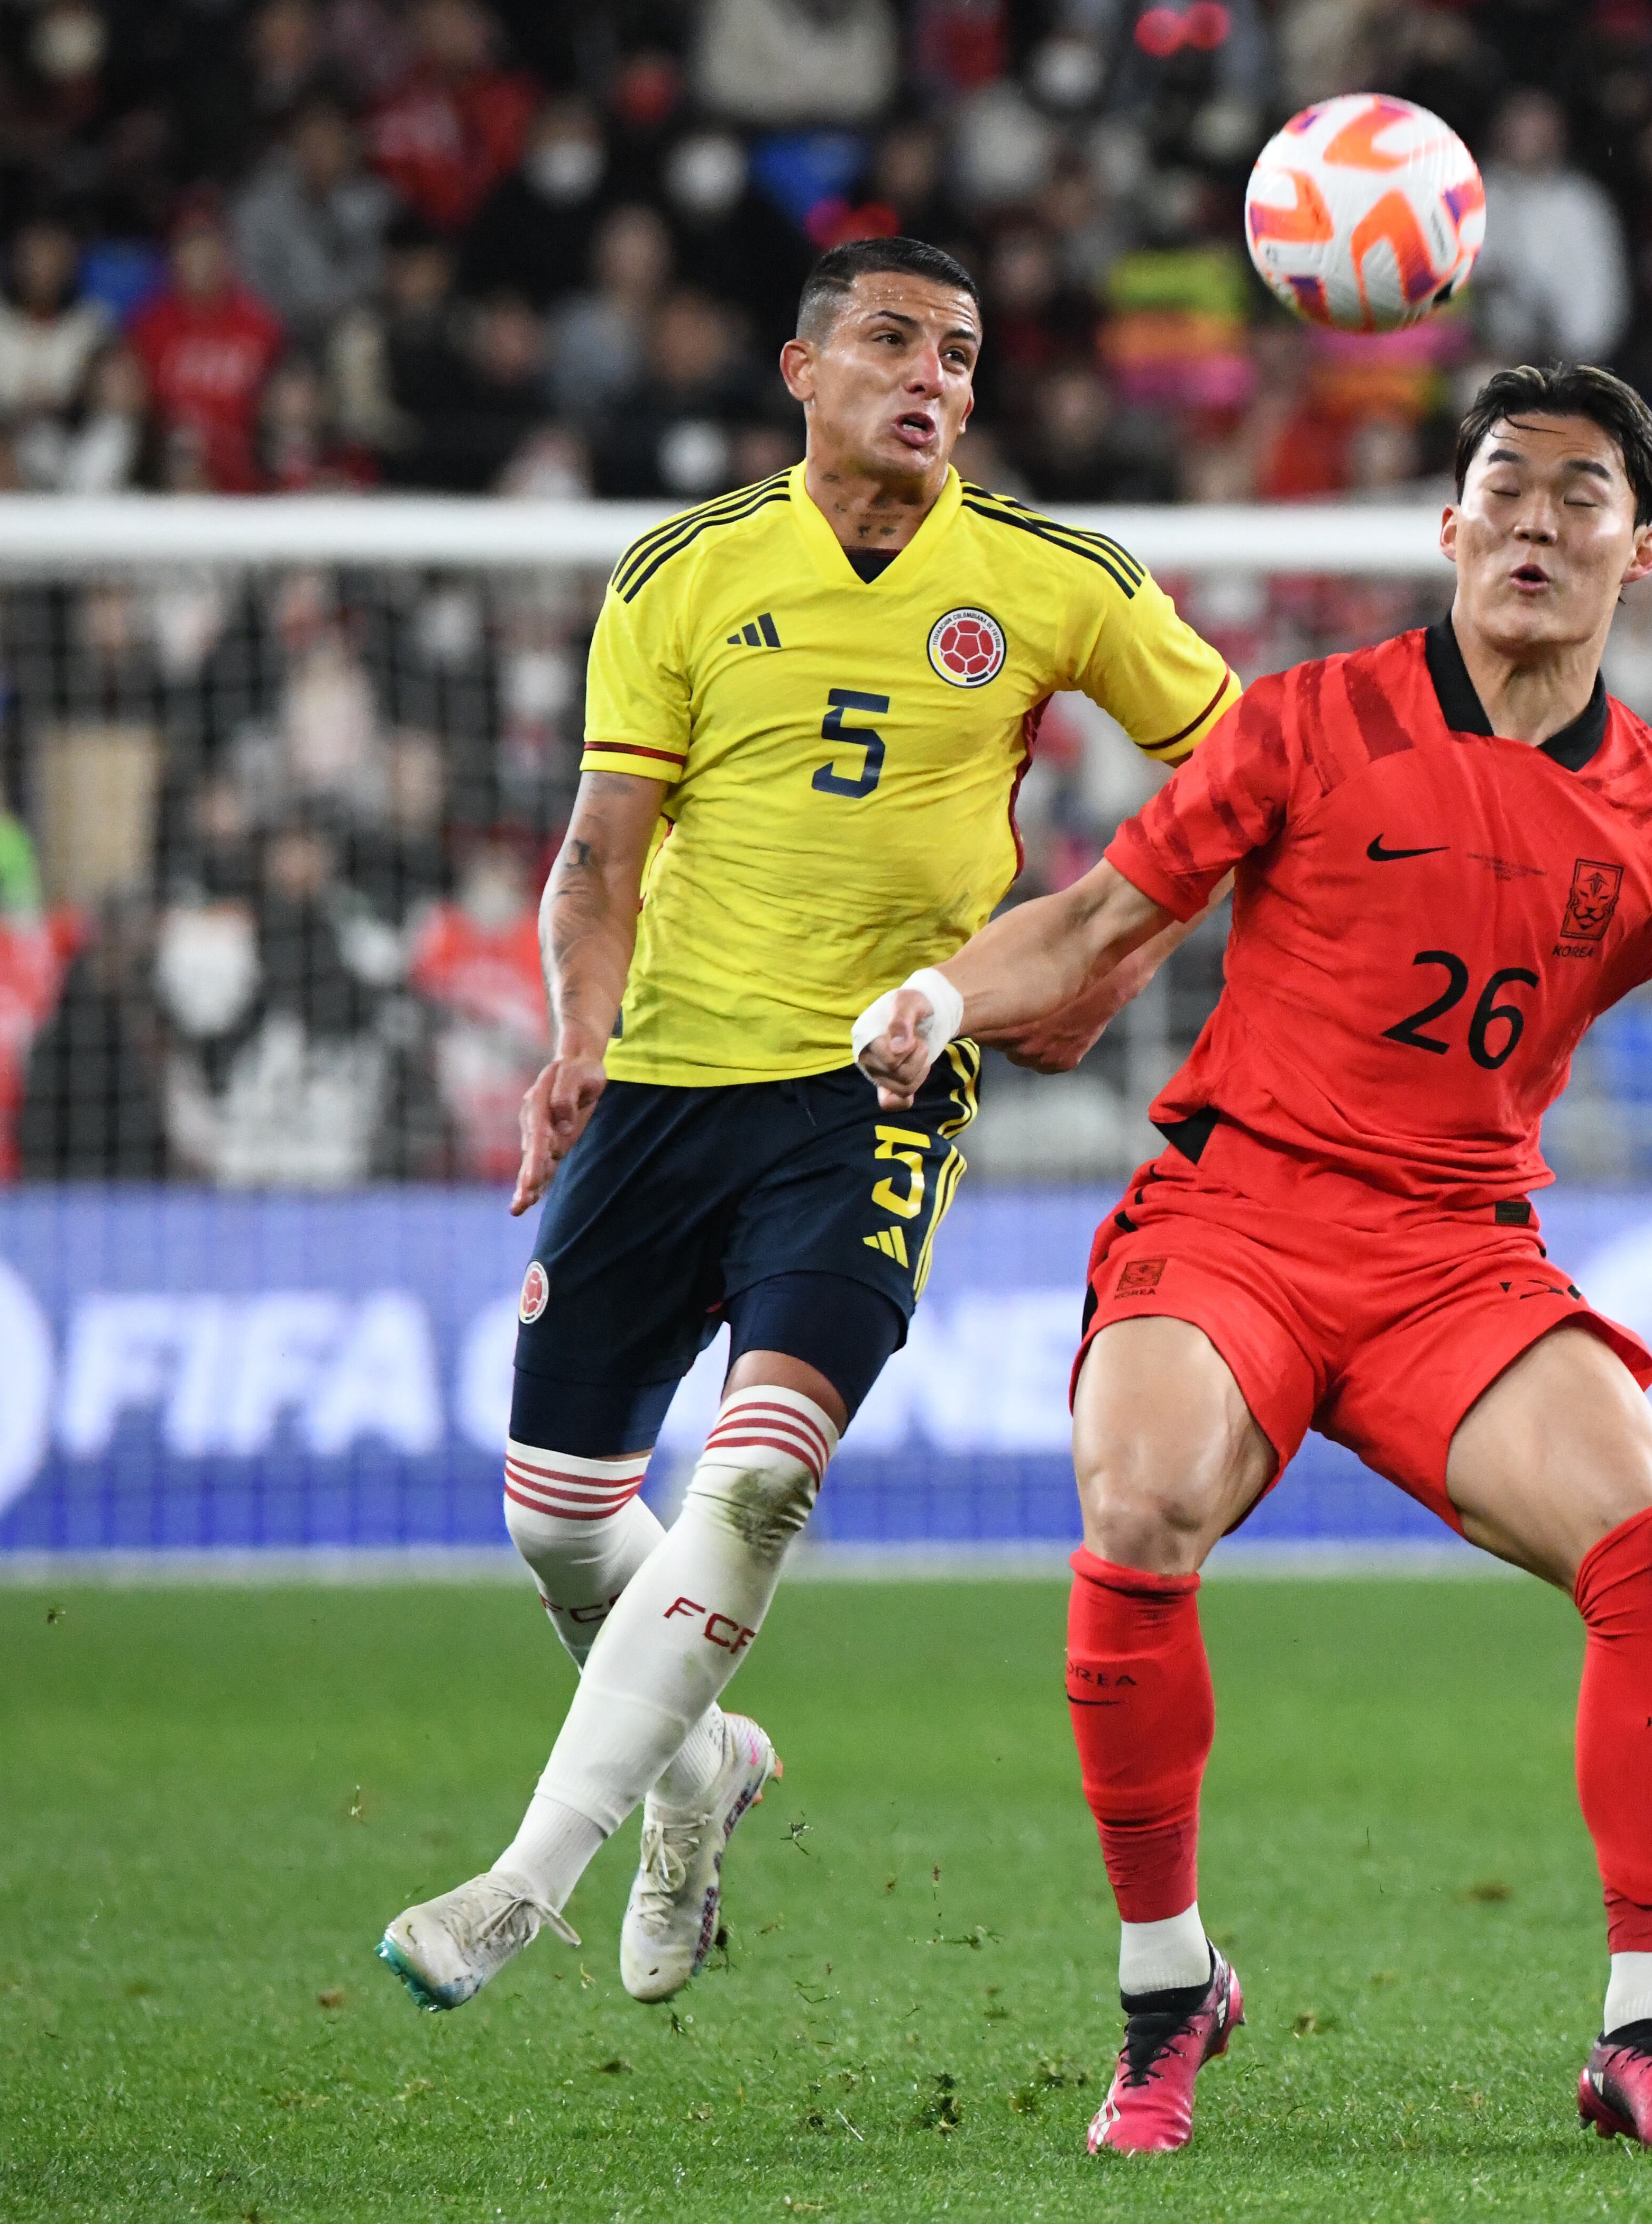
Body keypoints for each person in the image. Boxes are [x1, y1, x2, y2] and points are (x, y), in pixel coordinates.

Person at [856, 361, 1652, 2158]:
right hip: (1238, 1213)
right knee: (1137, 1499)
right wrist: (938, 993)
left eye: (1580, 496)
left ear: (1645, 551)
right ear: (1449, 526)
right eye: (1507, 490)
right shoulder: (1307, 721)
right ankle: (1168, 1995)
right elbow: (1091, 922)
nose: (1537, 523)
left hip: (1457, 1255)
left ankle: (1646, 2036)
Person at [375, 236, 1238, 2017]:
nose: (933, 376)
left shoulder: (1056, 577)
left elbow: (1247, 784)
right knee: (561, 1524)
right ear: (802, 370)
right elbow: (599, 854)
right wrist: (576, 1041)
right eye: (894, 340)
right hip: (666, 1081)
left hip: (878, 1087)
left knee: (761, 1474)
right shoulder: (684, 571)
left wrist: (1107, 959)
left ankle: (522, 1882)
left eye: (962, 353)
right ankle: (699, 1770)